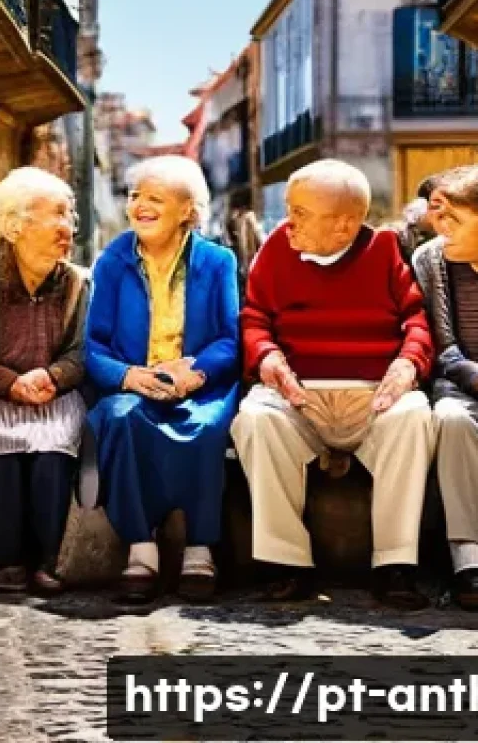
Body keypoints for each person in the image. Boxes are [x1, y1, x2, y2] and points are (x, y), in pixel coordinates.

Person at [231, 160, 435, 610]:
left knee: (415, 416)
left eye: (300, 212)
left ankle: (394, 565)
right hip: (297, 394)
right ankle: (285, 563)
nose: (287, 223)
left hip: (373, 395)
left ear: (345, 224)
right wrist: (267, 356)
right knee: (256, 420)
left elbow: (416, 321)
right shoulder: (275, 250)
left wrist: (407, 363)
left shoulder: (384, 250)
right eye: (289, 209)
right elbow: (254, 317)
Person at [85, 156, 240, 603]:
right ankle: (141, 547)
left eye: (155, 198)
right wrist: (128, 375)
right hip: (135, 379)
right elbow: (93, 345)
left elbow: (231, 337)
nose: (140, 206)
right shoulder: (113, 260)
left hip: (198, 381)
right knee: (119, 417)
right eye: (136, 196)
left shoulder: (217, 261)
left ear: (187, 209)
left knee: (208, 428)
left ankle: (199, 548)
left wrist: (195, 372)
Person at [0, 167, 89, 595]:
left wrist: (53, 376)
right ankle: (5, 562)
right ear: (16, 226)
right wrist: (11, 384)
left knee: (54, 443)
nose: (67, 228)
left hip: (54, 391)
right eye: (57, 216)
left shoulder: (77, 282)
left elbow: (83, 352)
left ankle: (46, 561)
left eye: (70, 217)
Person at [413, 165, 478, 610]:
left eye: (454, 219)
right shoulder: (431, 260)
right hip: (460, 384)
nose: (441, 229)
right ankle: (467, 562)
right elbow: (443, 344)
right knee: (451, 420)